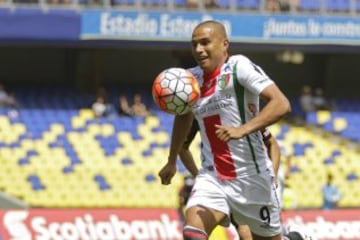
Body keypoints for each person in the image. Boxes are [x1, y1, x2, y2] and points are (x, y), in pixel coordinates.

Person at [158, 20, 313, 240]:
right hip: (213, 176)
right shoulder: (189, 80)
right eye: (194, 44)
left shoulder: (239, 67)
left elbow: (281, 104)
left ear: (224, 44)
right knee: (193, 232)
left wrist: (243, 129)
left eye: (205, 43)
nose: (198, 49)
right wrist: (172, 160)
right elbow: (183, 116)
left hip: (252, 178)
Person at [179, 119, 282, 240]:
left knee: (247, 236)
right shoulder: (200, 109)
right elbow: (182, 147)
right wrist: (199, 175)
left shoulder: (245, 113)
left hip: (249, 184)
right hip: (215, 181)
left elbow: (272, 144)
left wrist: (273, 176)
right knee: (193, 234)